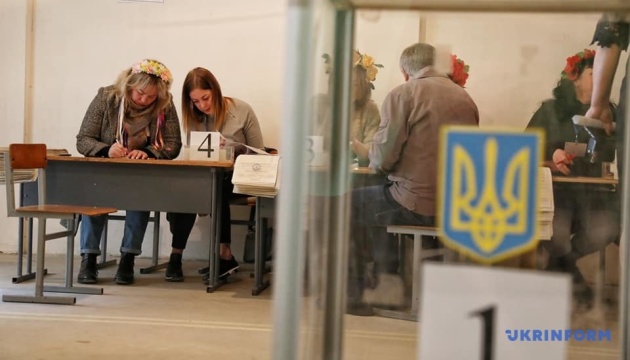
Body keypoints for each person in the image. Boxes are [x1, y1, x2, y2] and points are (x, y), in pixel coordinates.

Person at [346, 42, 479, 316]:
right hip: (454, 206)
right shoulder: (465, 99)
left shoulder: (404, 94)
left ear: (405, 72)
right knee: (378, 201)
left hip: (416, 203)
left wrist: (364, 151)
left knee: (349, 204)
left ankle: (357, 293)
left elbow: (382, 160)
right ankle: (393, 283)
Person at [76, 59, 182, 285]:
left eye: (151, 97)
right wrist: (106, 149)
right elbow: (83, 139)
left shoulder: (165, 104)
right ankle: (89, 259)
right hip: (104, 172)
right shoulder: (106, 98)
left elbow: (173, 144)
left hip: (139, 175)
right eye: (140, 93)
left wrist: (149, 152)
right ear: (129, 85)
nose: (144, 100)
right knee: (92, 200)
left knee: (139, 200)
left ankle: (127, 259)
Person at [526, 49, 619, 305]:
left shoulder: (609, 112)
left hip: (596, 193)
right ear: (575, 77)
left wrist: (612, 133)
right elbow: (526, 145)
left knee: (606, 230)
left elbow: (617, 150)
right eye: (593, 72)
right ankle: (572, 279)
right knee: (556, 235)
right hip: (558, 193)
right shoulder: (551, 110)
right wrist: (552, 153)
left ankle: (560, 267)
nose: (601, 78)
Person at [165, 67, 265, 282]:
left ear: (215, 90)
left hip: (239, 176)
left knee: (216, 185)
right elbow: (195, 154)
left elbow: (261, 154)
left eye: (206, 98)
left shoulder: (241, 110)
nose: (203, 105)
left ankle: (224, 253)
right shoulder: (195, 117)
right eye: (196, 101)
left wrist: (235, 147)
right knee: (185, 188)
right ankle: (176, 255)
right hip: (209, 177)